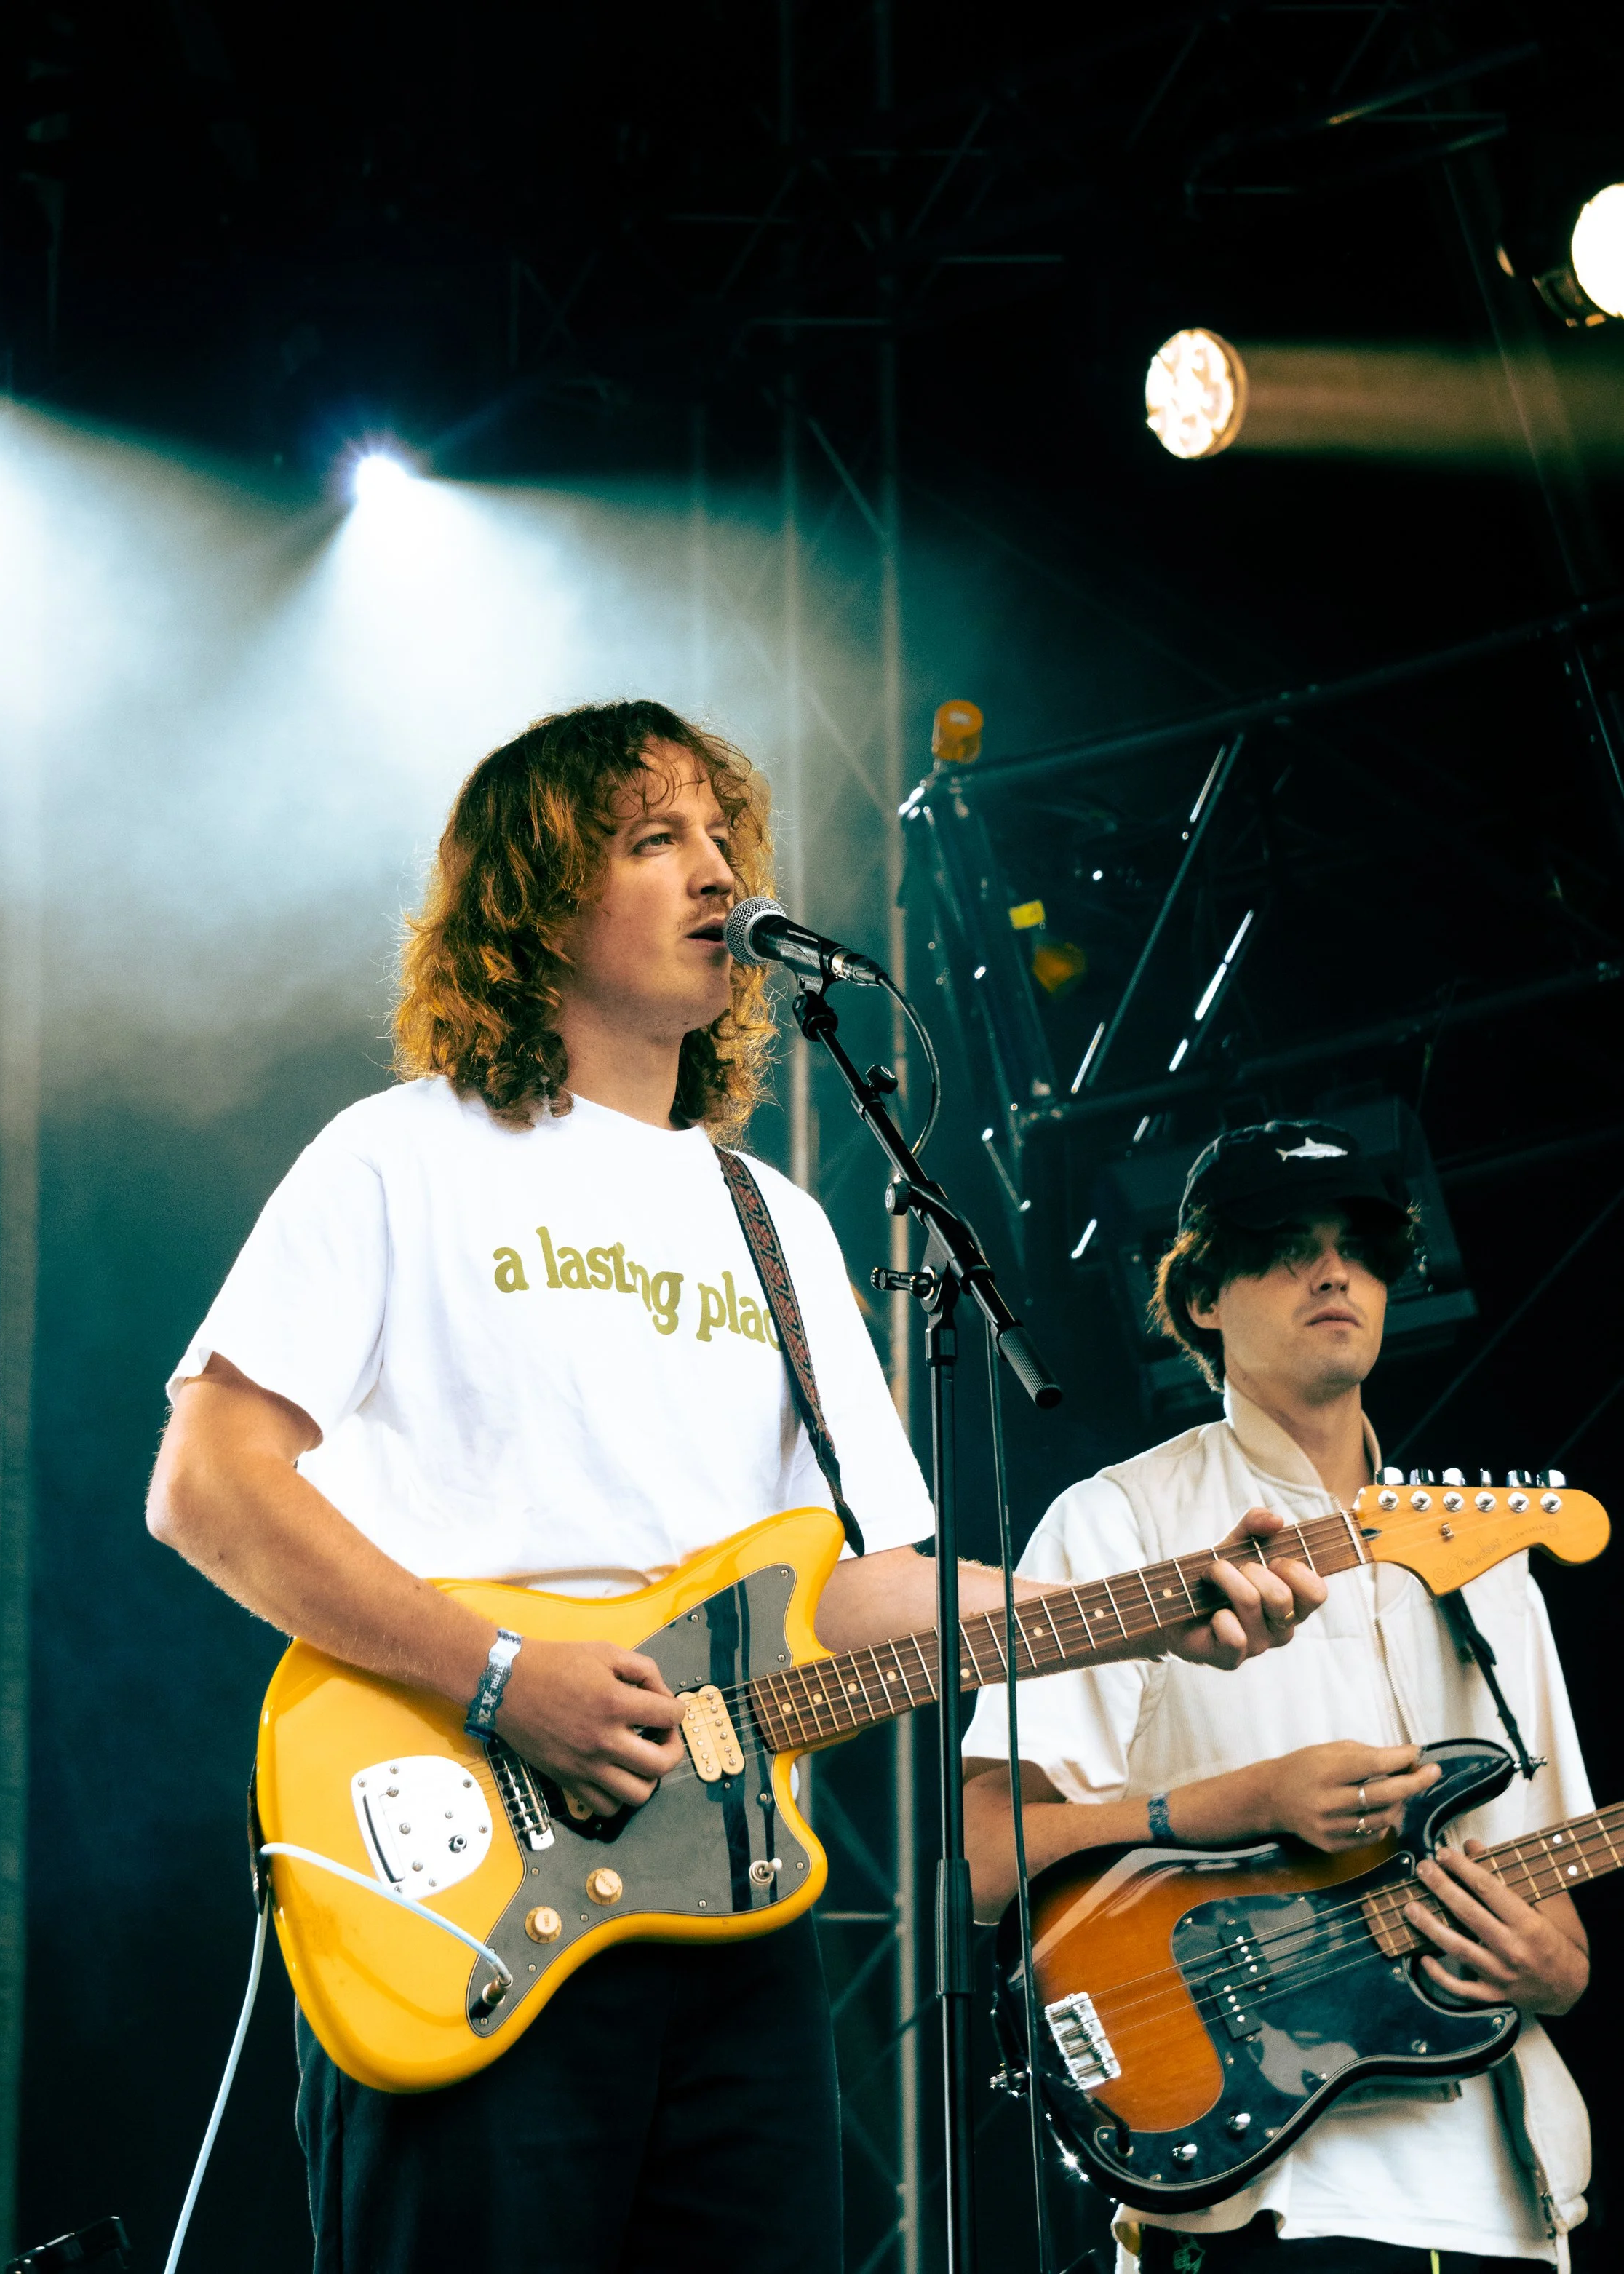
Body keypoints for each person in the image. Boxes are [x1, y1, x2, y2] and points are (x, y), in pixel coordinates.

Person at [146, 701, 1323, 2274]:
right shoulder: (399, 1155)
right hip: (462, 1865)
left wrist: (1142, 1612)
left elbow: (853, 1585)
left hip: (730, 1894)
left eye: (721, 838)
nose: (715, 874)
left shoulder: (773, 1219)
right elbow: (206, 1480)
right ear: (536, 899)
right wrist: (501, 1675)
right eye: (654, 840)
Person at [963, 1120, 1593, 2274]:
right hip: (1261, 2195)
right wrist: (1233, 1803)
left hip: (1507, 2201)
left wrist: (1556, 1970)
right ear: (1201, 1296)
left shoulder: (1488, 1561)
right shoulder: (1120, 1525)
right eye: (1283, 1246)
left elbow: (1553, 1893)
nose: (1333, 1270)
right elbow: (979, 1859)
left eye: (1359, 1244)